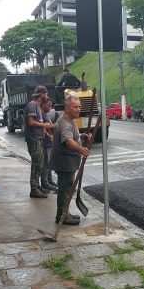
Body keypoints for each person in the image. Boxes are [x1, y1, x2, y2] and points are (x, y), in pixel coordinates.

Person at [50, 94, 90, 225]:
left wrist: (81, 136)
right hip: (64, 162)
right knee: (64, 189)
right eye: (75, 107)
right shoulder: (65, 123)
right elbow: (68, 141)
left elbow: (72, 137)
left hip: (68, 161)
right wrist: (81, 149)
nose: (78, 109)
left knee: (67, 188)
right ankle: (62, 216)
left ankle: (64, 212)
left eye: (79, 107)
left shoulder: (69, 120)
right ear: (67, 108)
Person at [25, 85, 53, 198]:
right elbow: (31, 122)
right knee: (36, 164)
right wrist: (44, 125)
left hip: (39, 139)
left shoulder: (38, 106)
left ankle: (37, 186)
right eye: (46, 94)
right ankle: (34, 189)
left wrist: (46, 133)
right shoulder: (32, 105)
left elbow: (39, 124)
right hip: (34, 140)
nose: (47, 96)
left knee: (40, 164)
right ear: (42, 94)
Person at [40, 97, 58, 191]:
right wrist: (54, 125)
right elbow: (43, 128)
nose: (50, 108)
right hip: (45, 142)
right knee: (46, 163)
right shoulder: (41, 115)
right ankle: (45, 182)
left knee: (49, 162)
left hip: (49, 142)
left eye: (51, 106)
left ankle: (49, 180)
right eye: (49, 105)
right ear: (43, 104)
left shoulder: (46, 114)